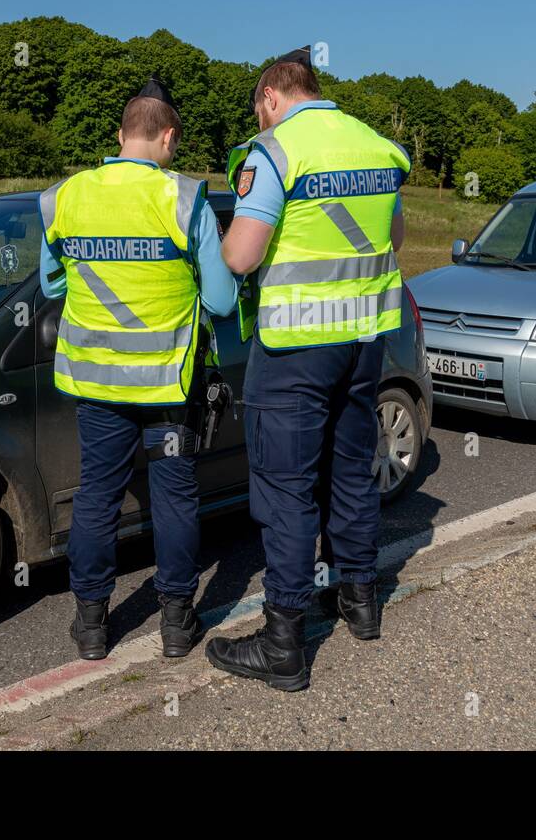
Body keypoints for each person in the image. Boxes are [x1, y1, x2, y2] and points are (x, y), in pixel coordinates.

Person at [205, 47, 410, 691]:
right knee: (350, 471)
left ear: (270, 96)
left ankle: (283, 643)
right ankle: (359, 602)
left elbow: (241, 256)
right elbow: (395, 239)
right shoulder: (376, 146)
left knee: (286, 490)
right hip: (363, 340)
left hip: (295, 347)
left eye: (257, 109)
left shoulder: (274, 152)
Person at [38, 75, 236, 660]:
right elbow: (222, 300)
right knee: (175, 494)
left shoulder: (64, 197)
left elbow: (54, 282)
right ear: (168, 136)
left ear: (120, 134)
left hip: (97, 384)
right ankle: (177, 622)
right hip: (166, 387)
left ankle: (93, 626)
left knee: (98, 494)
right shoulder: (185, 198)